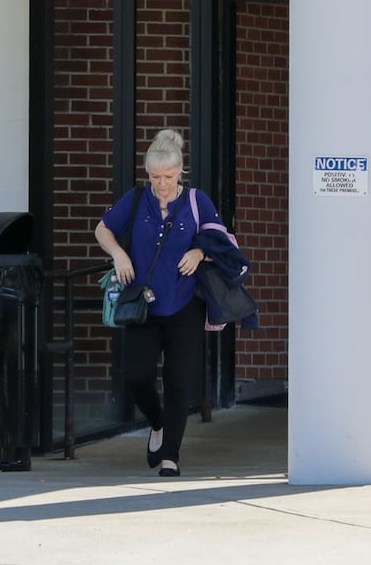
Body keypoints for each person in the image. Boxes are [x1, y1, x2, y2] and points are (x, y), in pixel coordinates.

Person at [95, 127, 217, 478]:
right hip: (143, 306)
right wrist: (119, 254)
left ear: (181, 172)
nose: (161, 184)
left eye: (168, 176)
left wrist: (199, 251)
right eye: (155, 177)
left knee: (179, 381)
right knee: (137, 376)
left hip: (184, 305)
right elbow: (103, 229)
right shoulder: (135, 200)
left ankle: (170, 456)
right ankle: (157, 422)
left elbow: (223, 241)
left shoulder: (196, 201)